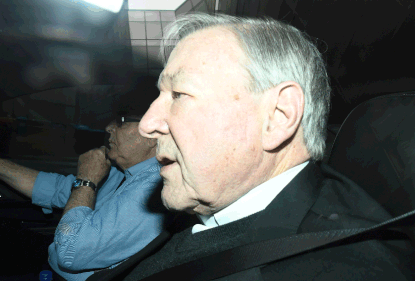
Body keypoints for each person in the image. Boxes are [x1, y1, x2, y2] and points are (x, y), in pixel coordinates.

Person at [89, 13, 413, 280]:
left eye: (178, 95)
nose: (147, 123)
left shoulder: (336, 271)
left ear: (277, 117)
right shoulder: (217, 200)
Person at [0, 81, 175, 280]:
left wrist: (87, 180)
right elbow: (56, 189)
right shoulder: (123, 172)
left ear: (154, 134)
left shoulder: (153, 189)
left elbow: (71, 254)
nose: (109, 128)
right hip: (52, 262)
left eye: (121, 122)